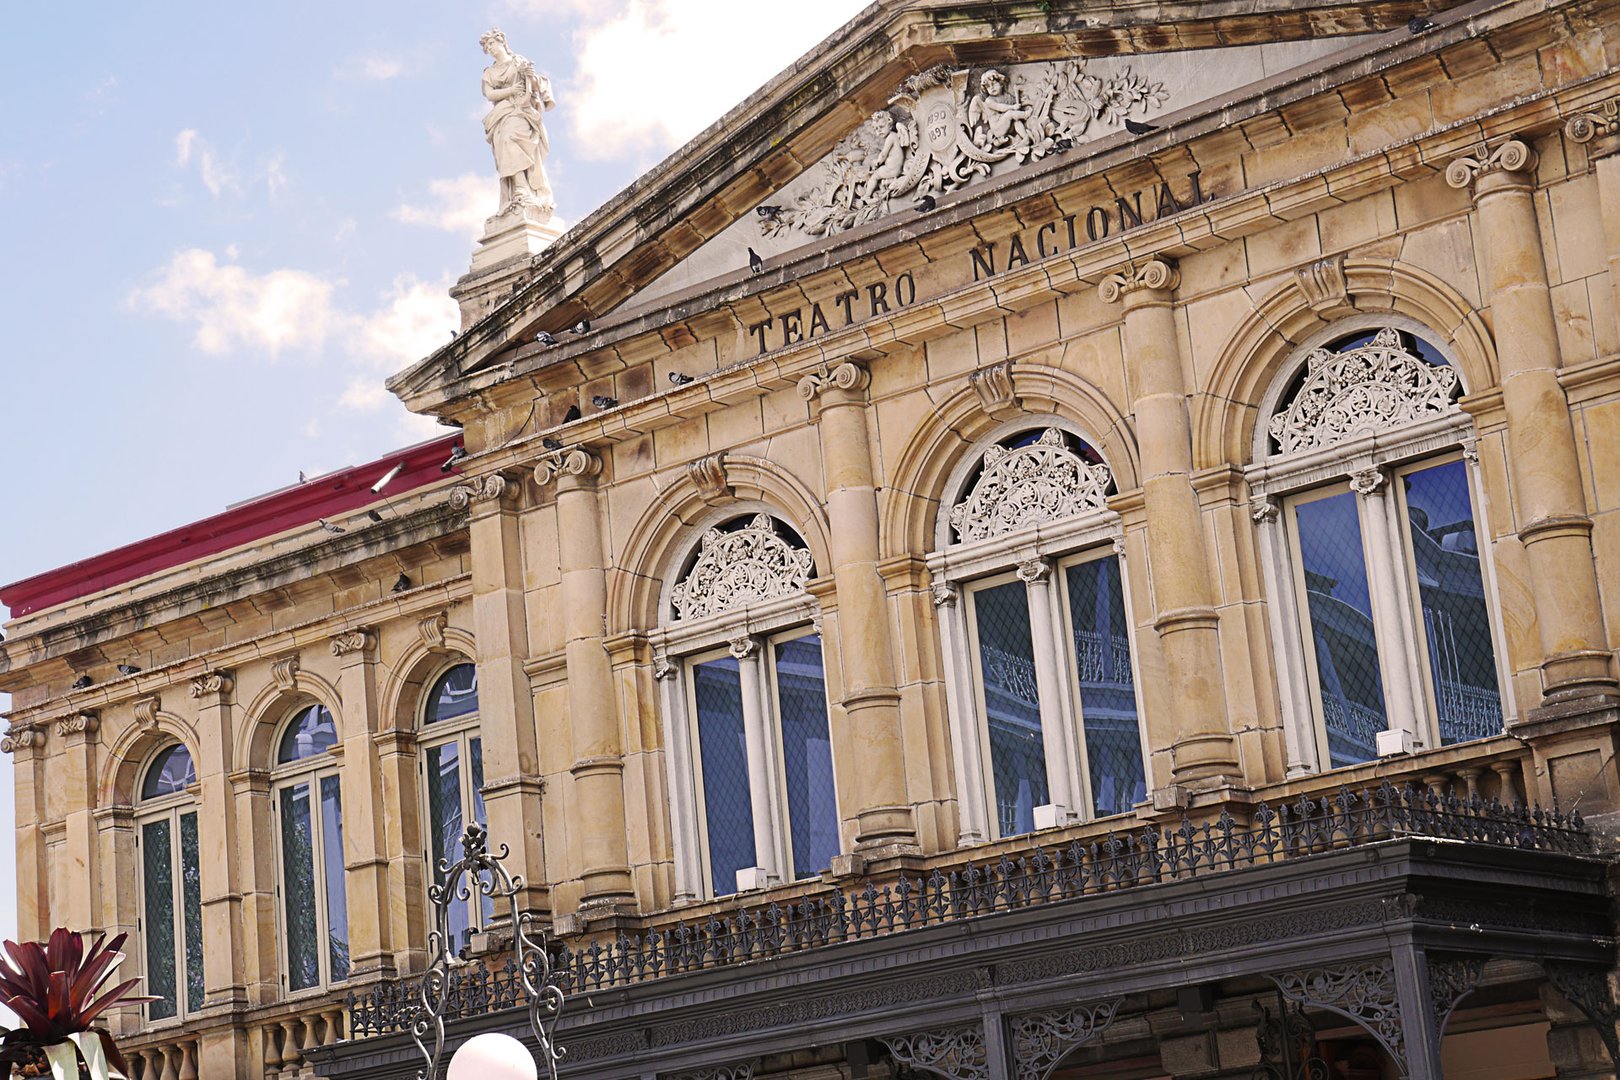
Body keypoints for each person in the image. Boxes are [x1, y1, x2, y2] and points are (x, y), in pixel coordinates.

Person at [480, 28, 555, 215]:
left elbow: (532, 84)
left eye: (492, 43)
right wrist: (511, 91)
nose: (489, 48)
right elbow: (490, 94)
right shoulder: (489, 73)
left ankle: (528, 189)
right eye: (487, 46)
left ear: (502, 42)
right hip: (502, 114)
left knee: (514, 139)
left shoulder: (518, 61)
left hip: (522, 110)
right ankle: (520, 189)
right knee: (506, 140)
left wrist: (530, 76)